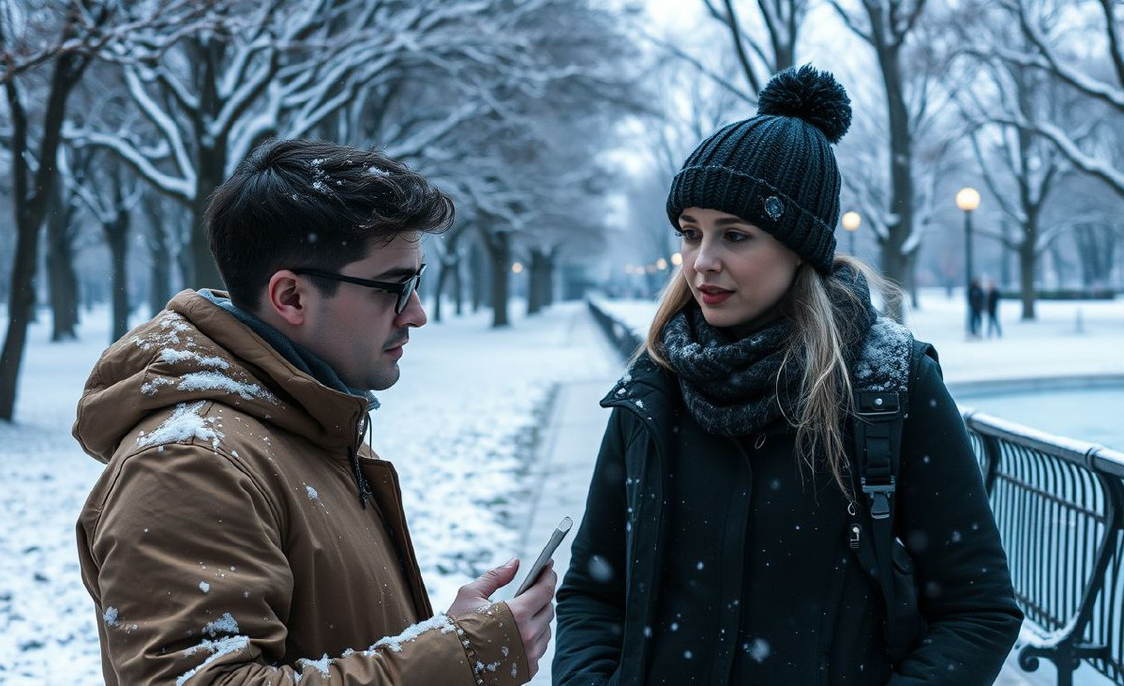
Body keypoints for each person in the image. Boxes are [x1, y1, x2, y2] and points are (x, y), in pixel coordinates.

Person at [553, 66, 1022, 685]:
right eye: (691, 234)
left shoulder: (886, 383)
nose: (702, 262)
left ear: (800, 247)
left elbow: (977, 608)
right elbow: (593, 587)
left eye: (735, 235)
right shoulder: (657, 383)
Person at [74, 139, 554, 685]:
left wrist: (449, 638)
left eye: (418, 283)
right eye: (395, 288)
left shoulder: (307, 423)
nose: (417, 314)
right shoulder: (189, 464)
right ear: (291, 298)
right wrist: (458, 659)